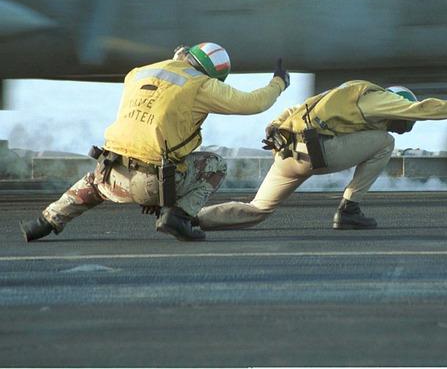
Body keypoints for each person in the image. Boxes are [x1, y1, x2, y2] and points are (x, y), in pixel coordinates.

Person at [19, 42, 290, 242]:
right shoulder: (203, 85)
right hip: (155, 182)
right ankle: (178, 216)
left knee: (94, 183)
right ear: (212, 74)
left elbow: (154, 108)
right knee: (215, 165)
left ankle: (43, 222)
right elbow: (254, 103)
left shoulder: (138, 73)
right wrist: (278, 82)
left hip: (112, 174)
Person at [194, 81, 447, 231]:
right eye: (404, 122)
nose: (404, 125)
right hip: (316, 155)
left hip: (287, 154)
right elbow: (426, 109)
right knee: (384, 142)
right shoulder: (380, 99)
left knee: (257, 209)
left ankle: (190, 219)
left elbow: (293, 109)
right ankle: (349, 208)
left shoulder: (341, 93)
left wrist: (272, 126)